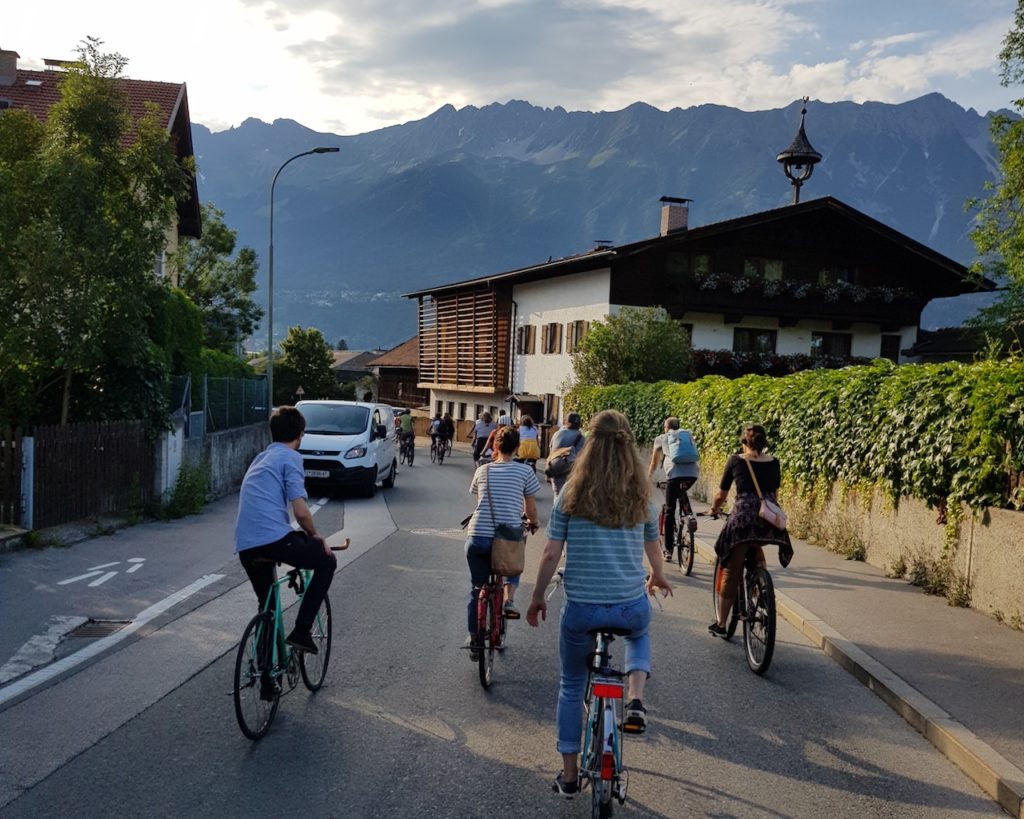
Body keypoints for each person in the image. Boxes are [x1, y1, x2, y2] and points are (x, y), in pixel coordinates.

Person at [527, 409, 673, 798]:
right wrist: (657, 575)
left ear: (589, 445)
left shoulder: (571, 495)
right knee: (640, 633)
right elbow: (653, 547)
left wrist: (538, 596)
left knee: (572, 685)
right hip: (628, 606)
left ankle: (570, 777)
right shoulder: (640, 495)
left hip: (582, 609)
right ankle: (636, 698)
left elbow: (549, 554)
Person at [234, 406, 345, 658]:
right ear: (300, 435)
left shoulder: (260, 458)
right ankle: (302, 631)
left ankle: (265, 677)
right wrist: (316, 536)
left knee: (268, 607)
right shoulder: (290, 458)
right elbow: (302, 513)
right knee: (327, 561)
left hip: (245, 545)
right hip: (273, 541)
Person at [708, 423, 793, 637]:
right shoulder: (774, 463)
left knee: (731, 570)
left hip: (743, 520)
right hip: (768, 520)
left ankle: (720, 623)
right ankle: (761, 592)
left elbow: (721, 495)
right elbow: (774, 493)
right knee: (756, 546)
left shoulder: (736, 461)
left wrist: (714, 509)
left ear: (743, 441)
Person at [466, 426, 541, 645]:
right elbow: (531, 510)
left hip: (477, 536)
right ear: (518, 448)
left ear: (495, 446)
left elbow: (479, 499)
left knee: (476, 588)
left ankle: (474, 639)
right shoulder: (525, 472)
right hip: (506, 538)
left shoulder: (482, 470)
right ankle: (509, 600)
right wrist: (533, 523)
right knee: (515, 558)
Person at [647, 417, 699, 562]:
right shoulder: (687, 435)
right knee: (681, 492)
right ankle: (689, 515)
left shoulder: (662, 438)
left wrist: (648, 478)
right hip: (693, 474)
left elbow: (654, 462)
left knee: (670, 510)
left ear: (666, 428)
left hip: (674, 475)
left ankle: (668, 550)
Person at [547, 412, 586, 497]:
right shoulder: (581, 437)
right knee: (569, 498)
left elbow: (551, 451)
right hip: (570, 471)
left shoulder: (557, 434)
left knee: (557, 496)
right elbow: (582, 456)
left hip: (555, 468)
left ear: (567, 422)